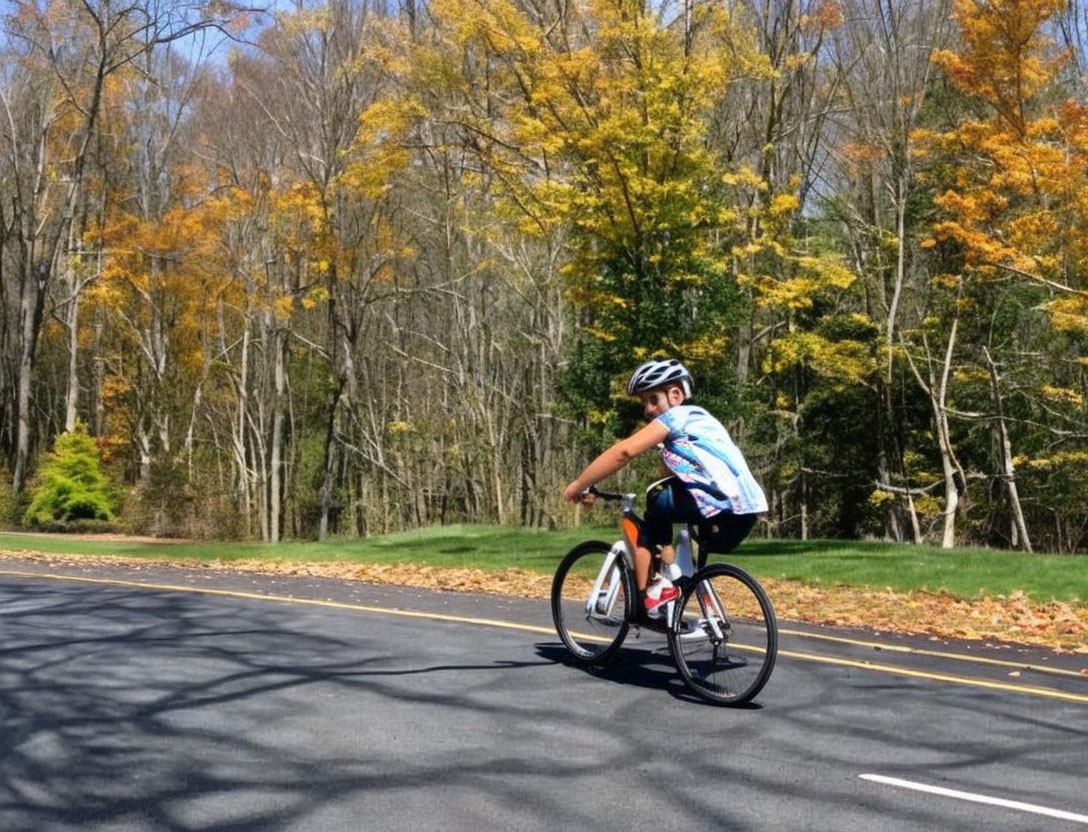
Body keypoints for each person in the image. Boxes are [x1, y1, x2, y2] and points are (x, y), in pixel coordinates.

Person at [562, 358, 767, 617]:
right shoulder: (702, 423)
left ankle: (655, 586)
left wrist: (580, 484)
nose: (648, 409)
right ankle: (682, 595)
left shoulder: (676, 417)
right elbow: (676, 474)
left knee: (654, 497)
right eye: (643, 403)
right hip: (746, 510)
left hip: (717, 502)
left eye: (653, 399)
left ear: (675, 395)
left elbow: (623, 451)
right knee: (665, 512)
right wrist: (594, 487)